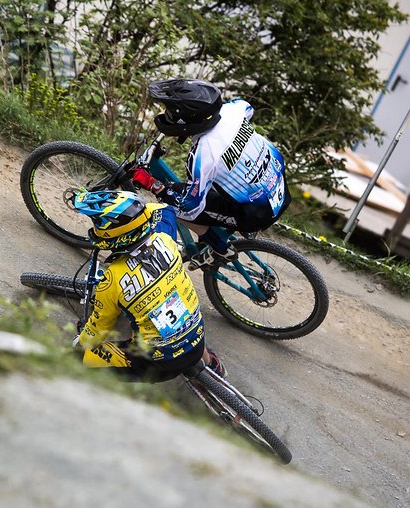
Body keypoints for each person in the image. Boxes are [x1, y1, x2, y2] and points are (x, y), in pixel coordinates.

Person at [129, 78, 291, 270]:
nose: (168, 115)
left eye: (171, 113)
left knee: (172, 206)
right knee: (193, 190)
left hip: (257, 213)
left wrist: (154, 185)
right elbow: (247, 107)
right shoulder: (233, 111)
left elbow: (191, 208)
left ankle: (220, 248)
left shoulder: (203, 155)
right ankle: (214, 235)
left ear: (188, 120)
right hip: (278, 185)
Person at [70, 188, 227, 381]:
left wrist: (81, 343)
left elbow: (99, 328)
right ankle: (212, 363)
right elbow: (165, 209)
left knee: (79, 359)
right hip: (197, 337)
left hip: (159, 364)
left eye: (97, 224)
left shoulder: (111, 280)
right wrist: (139, 210)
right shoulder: (165, 239)